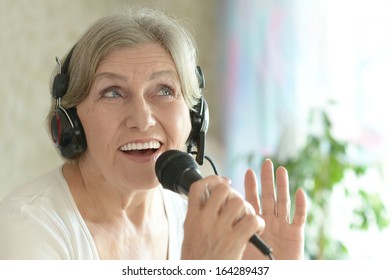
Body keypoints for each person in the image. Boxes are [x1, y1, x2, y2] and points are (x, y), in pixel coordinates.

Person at [0, 7, 307, 260]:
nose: (143, 119)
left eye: (163, 90)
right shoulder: (27, 227)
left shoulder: (201, 219)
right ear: (70, 124)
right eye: (112, 93)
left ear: (194, 118)